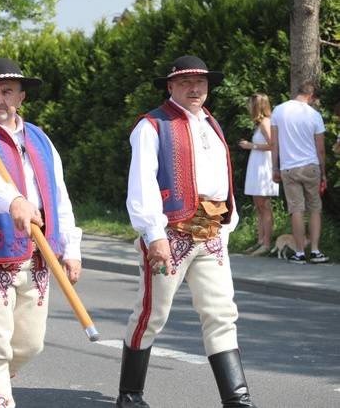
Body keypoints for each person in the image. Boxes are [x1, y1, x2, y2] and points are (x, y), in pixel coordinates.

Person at [119, 56, 257, 408]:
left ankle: (237, 399)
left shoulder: (212, 123)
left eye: (201, 83)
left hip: (211, 233)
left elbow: (221, 182)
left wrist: (227, 226)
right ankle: (130, 394)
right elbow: (142, 184)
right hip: (171, 235)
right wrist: (154, 235)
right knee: (152, 313)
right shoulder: (152, 125)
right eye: (185, 83)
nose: (195, 88)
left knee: (222, 312)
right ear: (170, 86)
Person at [0, 57, 82, 408]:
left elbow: (58, 195)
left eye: (7, 91)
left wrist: (70, 247)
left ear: (22, 97)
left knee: (29, 345)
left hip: (39, 253)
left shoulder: (40, 138)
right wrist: (14, 201)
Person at [270, 79, 328, 264]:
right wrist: (323, 173)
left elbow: (274, 143)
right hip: (310, 166)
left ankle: (299, 253)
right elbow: (321, 149)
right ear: (311, 95)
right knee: (314, 209)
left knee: (296, 210)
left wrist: (275, 168)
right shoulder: (314, 115)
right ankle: (316, 251)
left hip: (288, 167)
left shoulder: (278, 110)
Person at [238, 93, 279, 256]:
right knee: (259, 208)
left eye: (250, 103)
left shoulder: (265, 123)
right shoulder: (259, 124)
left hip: (264, 168)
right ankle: (260, 240)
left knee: (265, 206)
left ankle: (267, 242)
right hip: (257, 166)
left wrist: (251, 146)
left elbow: (273, 145)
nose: (248, 106)